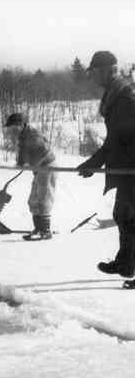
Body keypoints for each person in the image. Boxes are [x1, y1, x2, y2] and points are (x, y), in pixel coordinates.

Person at [77, 50, 135, 278]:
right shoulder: (116, 96)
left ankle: (128, 265)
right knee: (123, 215)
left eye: (94, 72)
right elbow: (116, 140)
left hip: (132, 169)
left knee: (129, 217)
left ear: (107, 71)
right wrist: (94, 162)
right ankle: (126, 264)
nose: (92, 77)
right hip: (127, 170)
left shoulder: (126, 99)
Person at [4, 113, 57, 240]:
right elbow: (23, 152)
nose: (12, 131)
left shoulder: (33, 136)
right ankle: (38, 228)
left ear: (21, 125)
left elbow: (41, 153)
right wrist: (21, 163)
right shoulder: (23, 135)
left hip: (47, 166)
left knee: (43, 197)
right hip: (38, 169)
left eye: (13, 128)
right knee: (34, 198)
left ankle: (45, 231)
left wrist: (29, 163)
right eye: (10, 128)